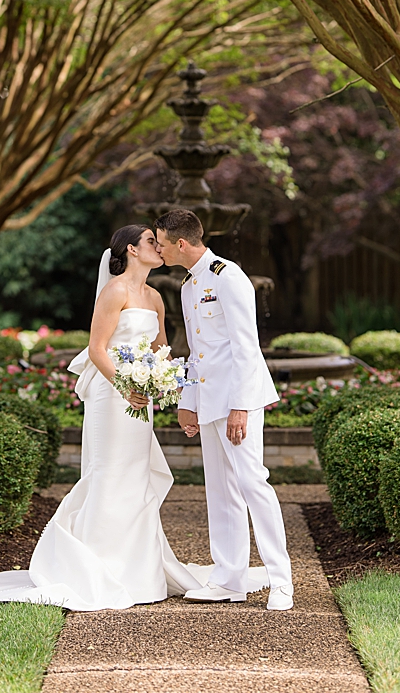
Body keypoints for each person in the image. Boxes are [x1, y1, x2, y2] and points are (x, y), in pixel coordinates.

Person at [0, 226, 206, 611]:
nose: (158, 246)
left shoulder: (154, 296)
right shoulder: (114, 291)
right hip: (111, 392)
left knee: (135, 475)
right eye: (151, 240)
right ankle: (94, 565)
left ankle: (139, 573)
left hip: (141, 396)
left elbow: (160, 345)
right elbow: (97, 349)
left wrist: (162, 380)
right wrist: (124, 383)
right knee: (109, 473)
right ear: (132, 250)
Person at [154, 208, 294, 611]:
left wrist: (241, 407)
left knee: (253, 484)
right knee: (220, 490)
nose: (159, 249)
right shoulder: (188, 284)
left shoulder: (227, 276)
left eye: (161, 243)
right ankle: (229, 578)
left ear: (181, 243)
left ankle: (281, 581)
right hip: (209, 400)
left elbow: (246, 347)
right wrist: (187, 401)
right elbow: (198, 352)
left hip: (237, 400)